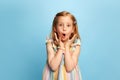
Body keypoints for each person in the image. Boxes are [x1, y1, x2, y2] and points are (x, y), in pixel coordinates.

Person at [42, 11, 82, 80]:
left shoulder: (76, 45)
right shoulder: (50, 44)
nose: (64, 28)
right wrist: (60, 48)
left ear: (73, 29)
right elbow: (53, 66)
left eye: (68, 25)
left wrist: (66, 47)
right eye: (60, 25)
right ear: (55, 28)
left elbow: (69, 68)